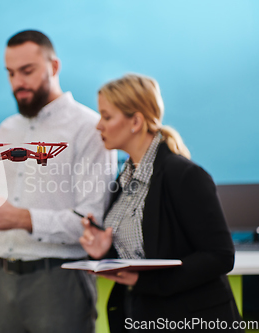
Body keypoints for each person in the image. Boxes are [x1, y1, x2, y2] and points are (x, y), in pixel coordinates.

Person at [80, 74, 243, 332]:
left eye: (107, 116)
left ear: (135, 121)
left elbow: (220, 256)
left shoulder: (184, 175)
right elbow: (140, 253)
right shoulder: (124, 181)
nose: (98, 125)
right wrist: (104, 250)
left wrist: (145, 282)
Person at [0, 30, 117, 333]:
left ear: (53, 67)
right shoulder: (5, 130)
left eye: (27, 71)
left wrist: (23, 218)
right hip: (3, 279)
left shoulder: (89, 128)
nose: (18, 82)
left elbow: (90, 221)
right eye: (11, 73)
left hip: (59, 281)